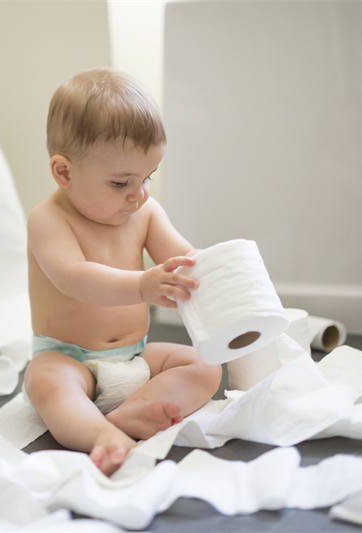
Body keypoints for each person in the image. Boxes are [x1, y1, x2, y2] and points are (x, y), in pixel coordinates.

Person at [23, 68, 222, 476]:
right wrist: (142, 285)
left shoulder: (144, 211)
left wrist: (221, 271)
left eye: (147, 177)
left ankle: (133, 412)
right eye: (120, 183)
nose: (139, 193)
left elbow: (184, 258)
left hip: (136, 355)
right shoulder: (49, 219)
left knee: (206, 365)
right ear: (64, 172)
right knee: (45, 382)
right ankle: (99, 434)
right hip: (71, 359)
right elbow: (74, 277)